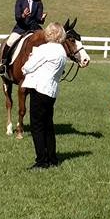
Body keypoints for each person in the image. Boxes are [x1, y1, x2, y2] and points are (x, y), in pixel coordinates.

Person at [21, 22, 68, 170]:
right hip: (52, 90)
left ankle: (41, 160)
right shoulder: (62, 51)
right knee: (48, 125)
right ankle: (52, 158)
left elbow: (27, 67)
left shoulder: (44, 49)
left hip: (40, 89)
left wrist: (29, 59)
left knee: (37, 126)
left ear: (49, 33)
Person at [0, 0, 46, 76]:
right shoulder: (20, 0)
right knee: (9, 41)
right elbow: (17, 17)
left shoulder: (38, 2)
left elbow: (39, 19)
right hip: (21, 27)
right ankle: (3, 63)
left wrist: (42, 19)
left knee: (47, 41)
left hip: (34, 28)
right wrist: (23, 15)